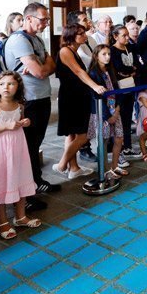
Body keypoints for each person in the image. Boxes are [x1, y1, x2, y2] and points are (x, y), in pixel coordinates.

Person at [3, 2, 58, 212]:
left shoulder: (36, 38)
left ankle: (35, 182)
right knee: (26, 147)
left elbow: (52, 64)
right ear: (28, 18)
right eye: (42, 19)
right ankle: (24, 195)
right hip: (29, 100)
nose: (46, 23)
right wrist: (42, 65)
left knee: (34, 145)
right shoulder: (19, 40)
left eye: (47, 20)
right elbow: (42, 72)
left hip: (41, 97)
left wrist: (42, 64)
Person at [0, 72, 41, 239]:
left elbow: (19, 121)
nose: (6, 87)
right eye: (2, 84)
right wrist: (5, 127)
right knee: (1, 183)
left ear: (18, 86)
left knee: (19, 179)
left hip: (18, 149)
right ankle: (3, 222)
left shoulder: (19, 104)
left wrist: (25, 122)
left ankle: (20, 216)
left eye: (11, 84)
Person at [52, 25, 104, 179]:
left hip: (77, 95)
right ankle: (62, 164)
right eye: (80, 34)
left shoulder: (74, 51)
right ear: (71, 36)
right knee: (83, 134)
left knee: (73, 134)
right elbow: (78, 71)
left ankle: (73, 168)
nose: (84, 36)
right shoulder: (65, 51)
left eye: (84, 33)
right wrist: (95, 86)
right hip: (71, 97)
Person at [87, 44, 128, 179]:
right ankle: (104, 171)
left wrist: (117, 109)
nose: (107, 57)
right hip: (102, 111)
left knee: (119, 138)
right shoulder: (93, 73)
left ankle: (115, 166)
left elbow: (118, 89)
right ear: (96, 56)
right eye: (104, 54)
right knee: (103, 142)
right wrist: (107, 116)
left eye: (109, 54)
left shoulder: (110, 70)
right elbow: (95, 97)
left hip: (114, 109)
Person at [110, 24, 142, 162]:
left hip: (131, 86)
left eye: (127, 34)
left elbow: (137, 64)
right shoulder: (112, 51)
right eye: (123, 35)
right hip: (119, 88)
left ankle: (128, 146)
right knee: (119, 120)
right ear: (115, 36)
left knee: (128, 118)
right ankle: (119, 150)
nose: (127, 37)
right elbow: (118, 68)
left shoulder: (130, 48)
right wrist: (130, 70)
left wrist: (129, 70)